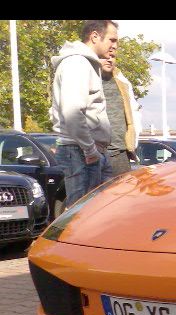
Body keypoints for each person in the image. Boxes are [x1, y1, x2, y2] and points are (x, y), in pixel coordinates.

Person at [51, 20, 118, 207]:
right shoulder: (77, 63)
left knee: (99, 210)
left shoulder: (86, 64)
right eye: (112, 40)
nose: (115, 46)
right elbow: (72, 111)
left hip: (88, 151)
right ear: (95, 36)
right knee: (82, 213)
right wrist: (90, 150)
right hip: (80, 152)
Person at [100, 55, 142, 176]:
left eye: (112, 56)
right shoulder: (86, 78)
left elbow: (134, 111)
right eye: (103, 56)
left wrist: (132, 143)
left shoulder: (121, 80)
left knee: (123, 187)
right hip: (94, 152)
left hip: (120, 152)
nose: (109, 59)